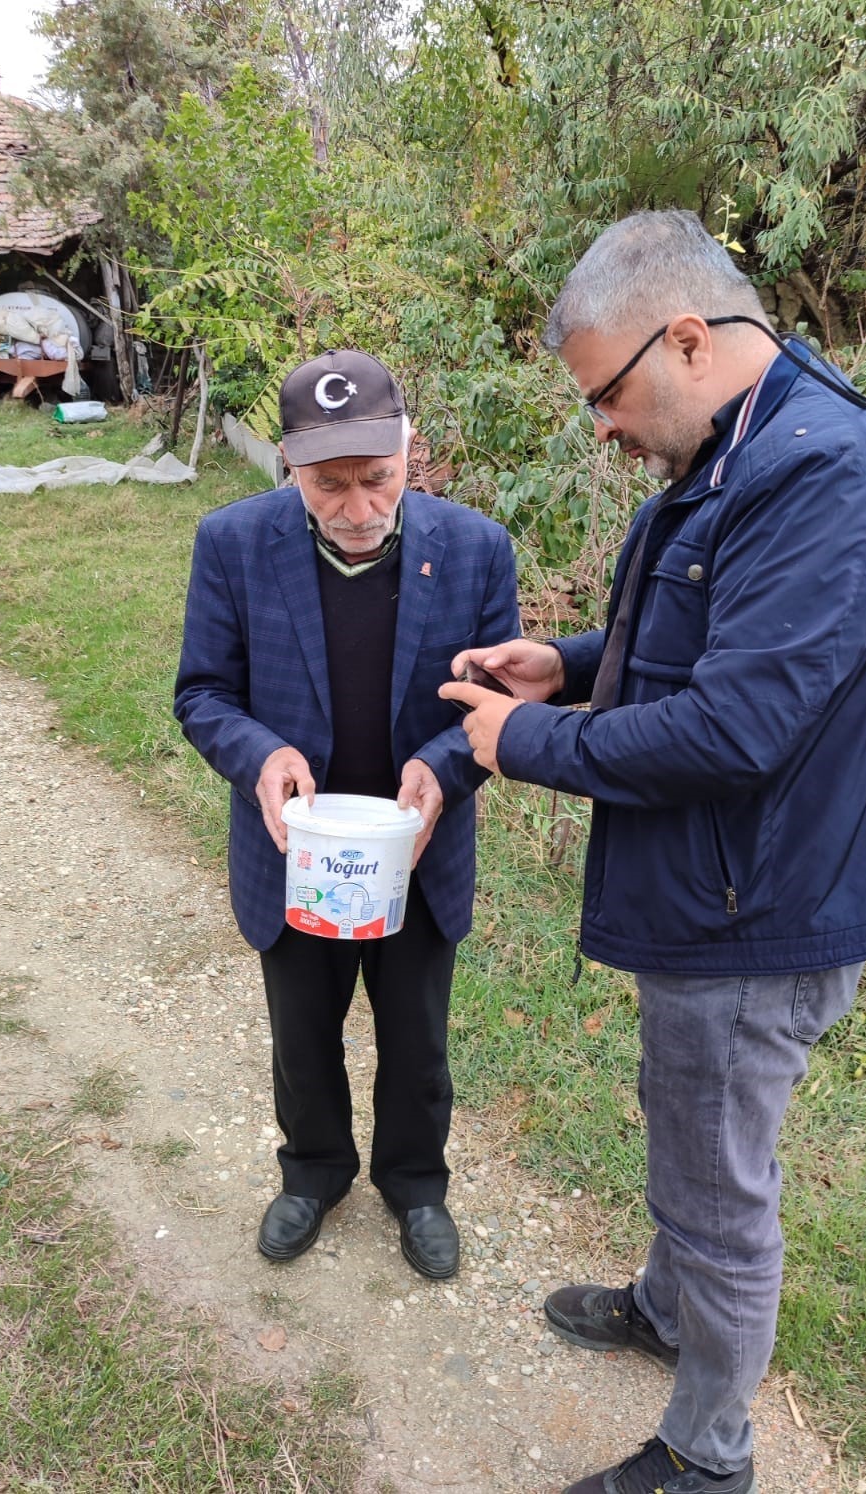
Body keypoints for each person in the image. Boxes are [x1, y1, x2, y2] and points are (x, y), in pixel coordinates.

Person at [440, 211, 866, 1493]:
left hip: (757, 908)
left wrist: (526, 740)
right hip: (730, 881)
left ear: (688, 338)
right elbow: (722, 643)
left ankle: (706, 1455)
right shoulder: (751, 446)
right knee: (688, 1125)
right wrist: (572, 665)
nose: (599, 425)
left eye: (604, 393)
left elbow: (735, 727)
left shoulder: (821, 471)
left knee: (716, 1189)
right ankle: (663, 1313)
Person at [174, 350, 519, 1280]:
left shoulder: (478, 549)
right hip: (296, 849)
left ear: (411, 450)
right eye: (330, 486)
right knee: (302, 1029)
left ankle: (415, 1183)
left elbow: (491, 708)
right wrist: (262, 756)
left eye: (379, 480)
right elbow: (203, 694)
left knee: (417, 1037)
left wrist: (446, 767)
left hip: (417, 850)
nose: (360, 509)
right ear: (290, 466)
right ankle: (313, 1171)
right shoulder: (234, 544)